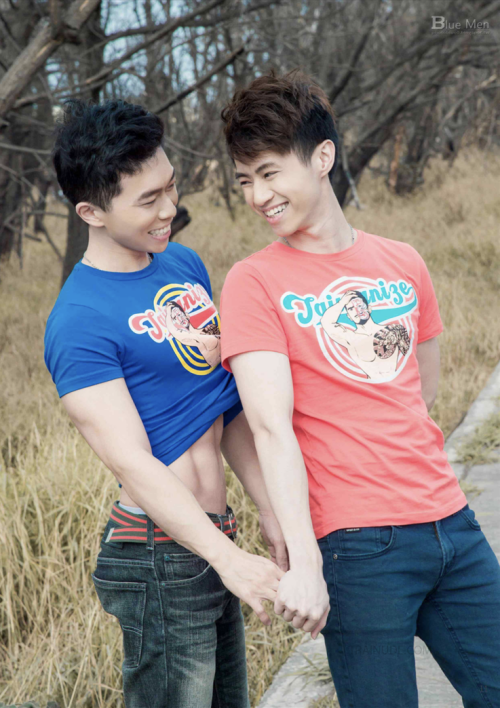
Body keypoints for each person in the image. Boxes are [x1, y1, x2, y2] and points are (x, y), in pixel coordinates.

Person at [219, 70, 500, 707]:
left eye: (269, 173)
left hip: (451, 523)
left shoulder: (403, 261)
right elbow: (270, 428)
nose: (259, 195)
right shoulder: (255, 282)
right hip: (357, 546)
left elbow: (420, 391)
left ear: (322, 157)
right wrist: (307, 562)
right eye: (245, 180)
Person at [44, 99, 287, 708]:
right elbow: (130, 461)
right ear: (91, 212)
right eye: (147, 200)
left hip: (212, 536)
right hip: (157, 555)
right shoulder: (78, 319)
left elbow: (222, 408)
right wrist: (229, 560)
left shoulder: (182, 263)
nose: (169, 209)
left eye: (170, 186)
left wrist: (270, 506)